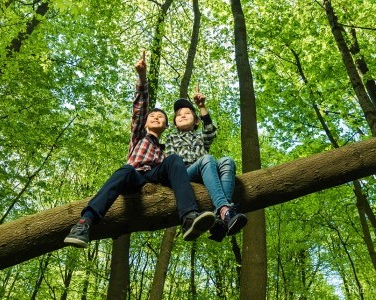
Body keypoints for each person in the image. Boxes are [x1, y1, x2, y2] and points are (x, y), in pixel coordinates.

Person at [64, 54, 215, 248]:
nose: (155, 117)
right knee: (125, 169)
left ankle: (188, 217)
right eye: (152, 116)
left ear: (167, 126)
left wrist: (201, 109)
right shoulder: (139, 136)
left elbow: (200, 143)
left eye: (160, 117)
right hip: (134, 176)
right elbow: (140, 109)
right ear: (144, 123)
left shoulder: (166, 150)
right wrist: (142, 77)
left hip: (156, 177)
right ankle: (85, 223)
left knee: (175, 159)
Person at [165, 89, 248, 242]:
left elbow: (209, 130)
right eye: (178, 115)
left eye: (187, 113)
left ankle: (220, 217)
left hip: (205, 173)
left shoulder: (199, 137)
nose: (182, 115)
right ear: (175, 123)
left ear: (196, 120)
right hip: (186, 174)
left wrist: (202, 106)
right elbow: (171, 162)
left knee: (227, 161)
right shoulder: (171, 138)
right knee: (207, 158)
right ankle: (225, 210)